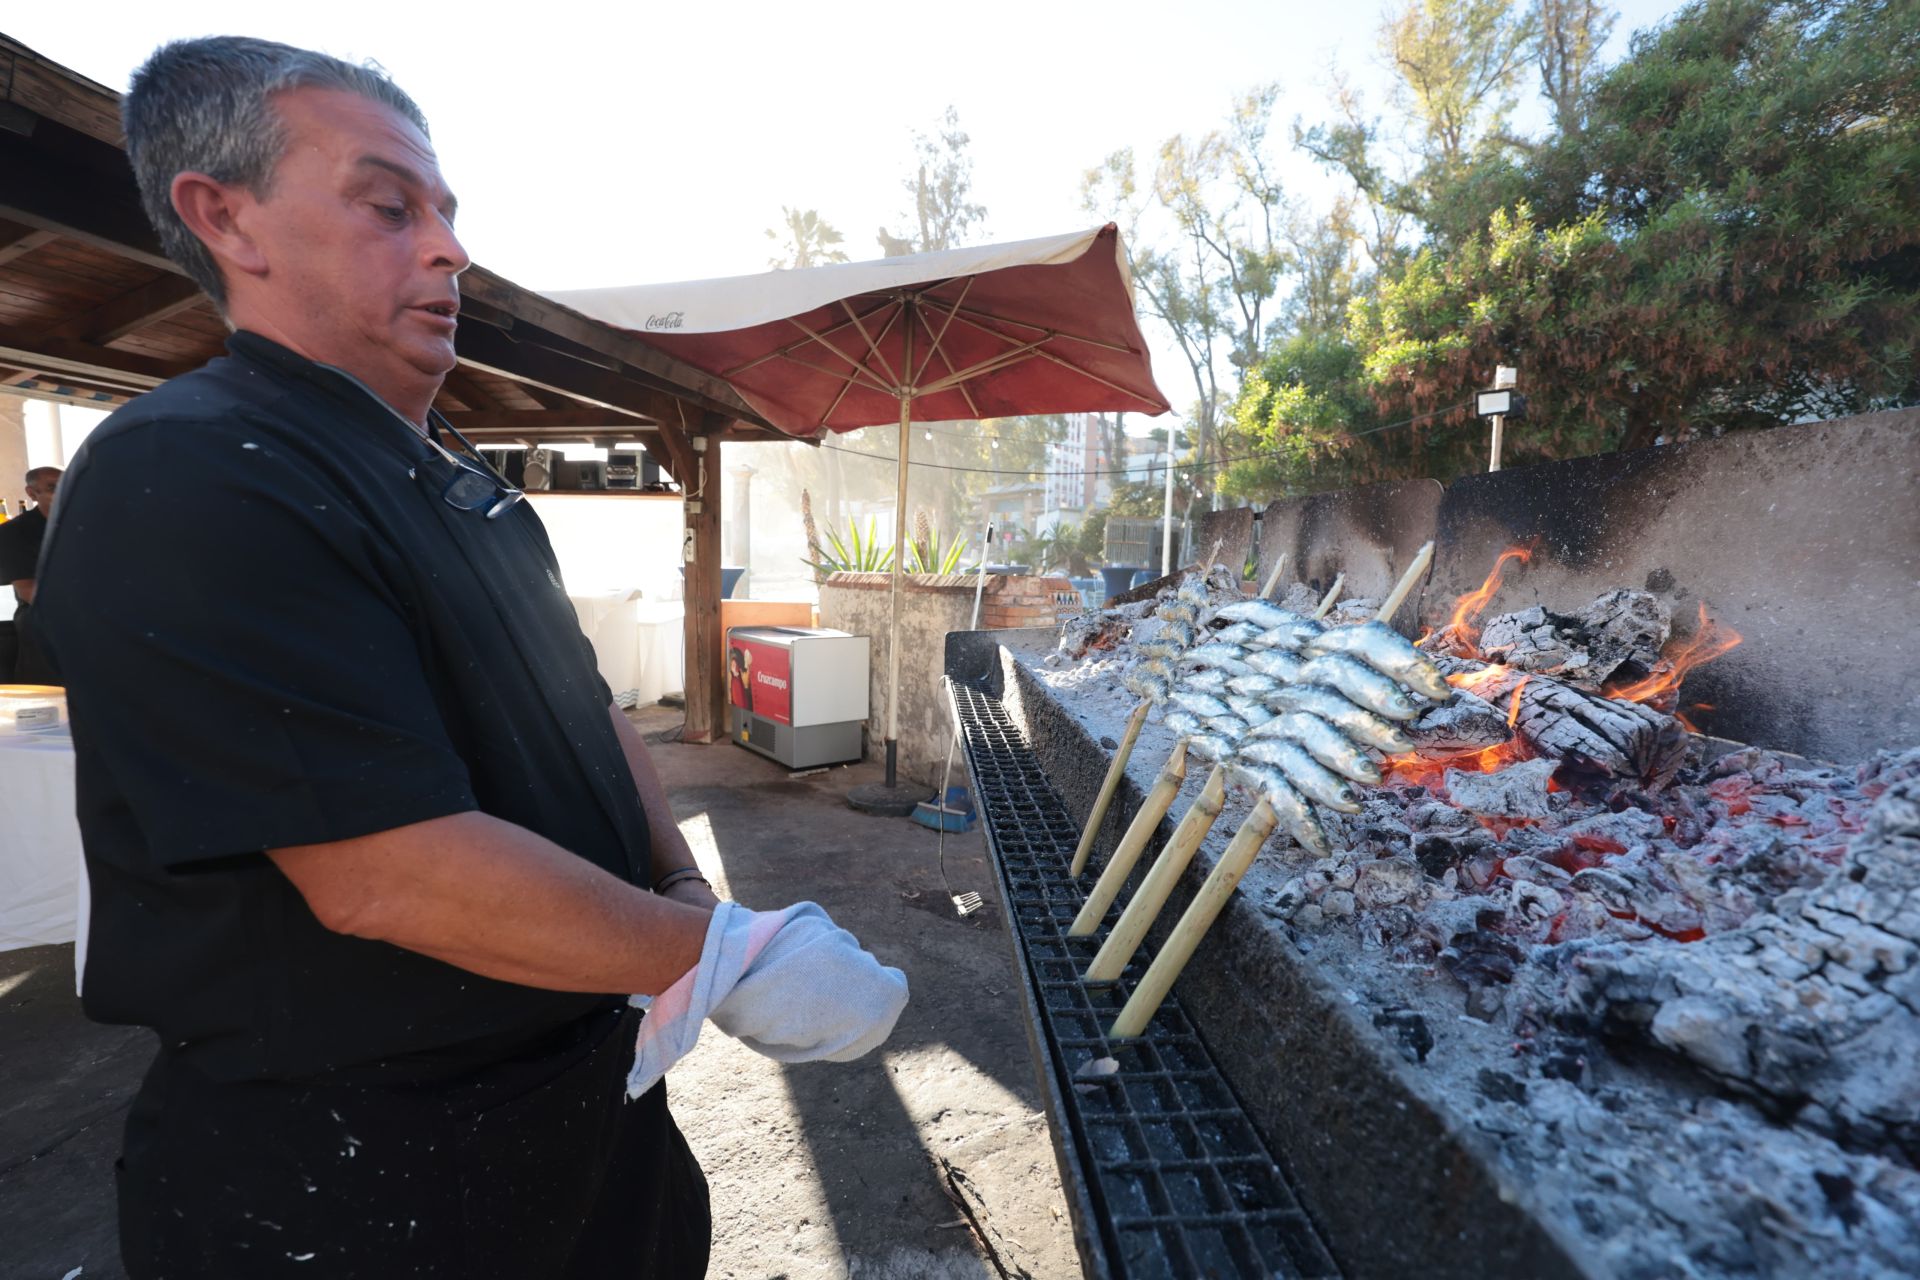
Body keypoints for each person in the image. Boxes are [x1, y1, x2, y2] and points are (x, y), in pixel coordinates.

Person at [32, 36, 901, 1279]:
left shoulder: (458, 480)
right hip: (358, 1175)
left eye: (446, 212)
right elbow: (381, 870)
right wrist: (716, 957)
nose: (449, 247)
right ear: (226, 218)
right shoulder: (196, 469)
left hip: (588, 1122)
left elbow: (586, 708)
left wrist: (686, 888)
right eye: (391, 205)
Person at [0, 466, 60, 682]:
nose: (62, 491)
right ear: (32, 493)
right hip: (43, 619)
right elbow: (28, 591)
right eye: (52, 487)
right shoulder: (15, 532)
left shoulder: (80, 523)